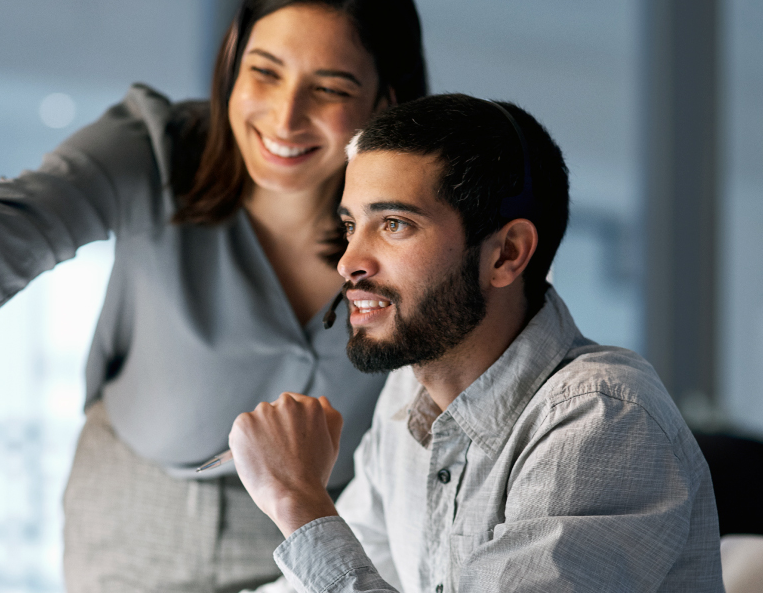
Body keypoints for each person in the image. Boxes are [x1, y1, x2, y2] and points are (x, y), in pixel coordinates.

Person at [0, 0, 428, 590]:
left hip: (318, 518)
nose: (285, 116)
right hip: (135, 513)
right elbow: (31, 211)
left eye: (329, 88)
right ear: (232, 62)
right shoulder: (155, 148)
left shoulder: (418, 225)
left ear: (386, 99)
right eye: (264, 72)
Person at [229, 94, 724, 592]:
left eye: (394, 224)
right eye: (351, 226)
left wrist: (298, 502)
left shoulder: (601, 419)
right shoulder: (407, 396)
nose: (348, 262)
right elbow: (344, 566)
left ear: (506, 254)